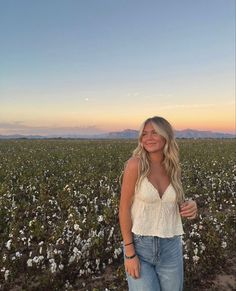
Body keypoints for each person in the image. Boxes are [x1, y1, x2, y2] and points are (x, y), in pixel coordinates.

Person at [119, 116, 198, 291]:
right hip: (140, 246)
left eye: (154, 132)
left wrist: (191, 205)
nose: (148, 138)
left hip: (171, 246)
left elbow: (172, 203)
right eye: (144, 134)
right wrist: (129, 253)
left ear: (166, 136)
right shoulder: (135, 165)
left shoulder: (173, 166)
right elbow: (124, 208)